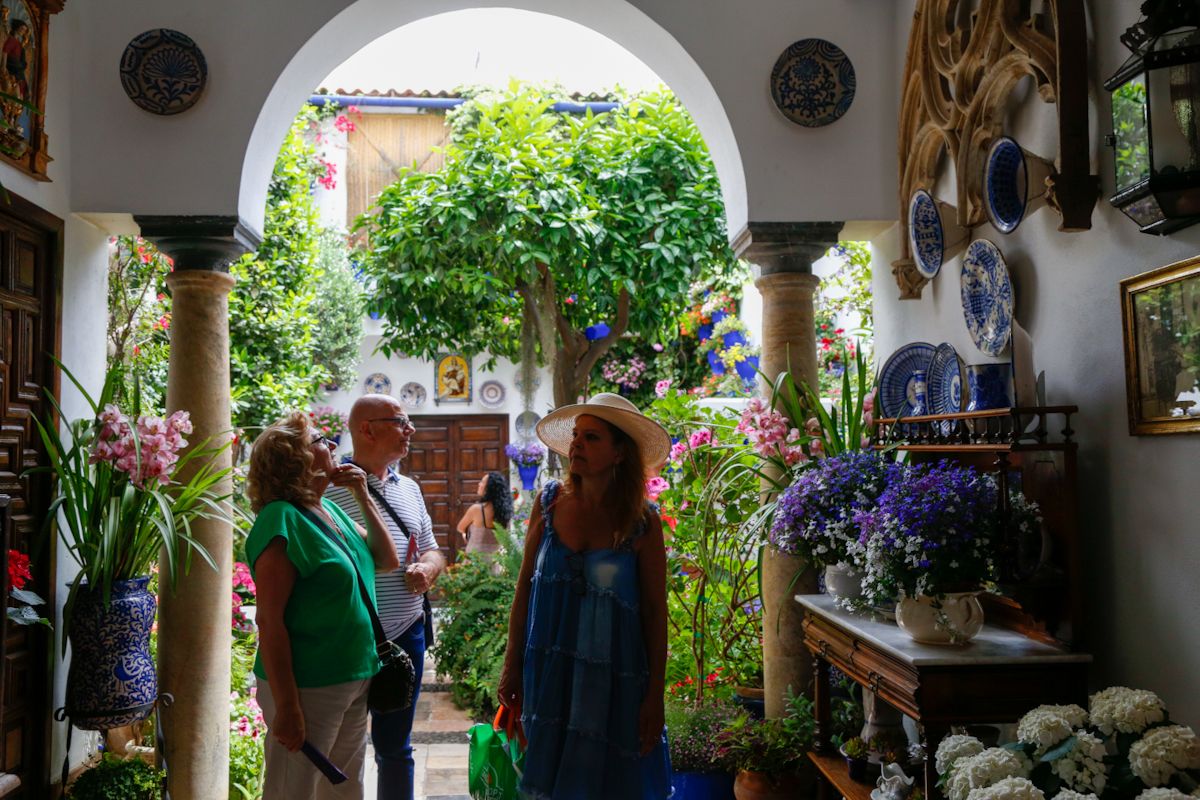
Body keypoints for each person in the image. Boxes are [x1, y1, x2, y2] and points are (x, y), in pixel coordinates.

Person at [498, 393, 674, 799]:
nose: (577, 444)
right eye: (576, 436)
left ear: (619, 454)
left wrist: (655, 697)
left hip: (614, 679)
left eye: (592, 438)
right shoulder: (547, 505)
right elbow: (524, 588)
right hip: (548, 672)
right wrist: (512, 666)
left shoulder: (643, 522)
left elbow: (653, 611)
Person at [245, 411, 400, 800]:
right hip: (308, 684)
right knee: (292, 789)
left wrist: (363, 497)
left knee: (345, 787)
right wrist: (287, 706)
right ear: (295, 459)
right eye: (320, 440)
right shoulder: (281, 519)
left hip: (354, 674)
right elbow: (270, 621)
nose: (332, 446)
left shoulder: (327, 511)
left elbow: (386, 559)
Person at [325, 394, 445, 800]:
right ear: (367, 428)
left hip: (406, 633)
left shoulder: (408, 487)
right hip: (349, 635)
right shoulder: (328, 488)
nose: (410, 429)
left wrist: (428, 568)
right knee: (343, 743)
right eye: (400, 421)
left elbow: (432, 548)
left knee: (397, 747)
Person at [455, 470, 513, 556]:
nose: (479, 484)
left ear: (489, 488)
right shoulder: (506, 511)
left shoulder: (477, 509)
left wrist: (467, 534)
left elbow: (460, 528)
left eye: (482, 482)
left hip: (476, 560)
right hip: (495, 561)